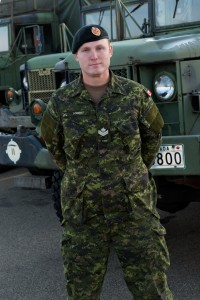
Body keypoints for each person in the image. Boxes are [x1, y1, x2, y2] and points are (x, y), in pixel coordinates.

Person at [41, 24, 173, 300]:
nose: (94, 55)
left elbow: (153, 138)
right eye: (86, 50)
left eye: (100, 48)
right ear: (76, 57)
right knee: (82, 292)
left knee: (153, 288)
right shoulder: (61, 103)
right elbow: (54, 145)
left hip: (134, 210)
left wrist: (134, 173)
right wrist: (81, 177)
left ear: (110, 51)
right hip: (83, 214)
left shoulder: (135, 95)